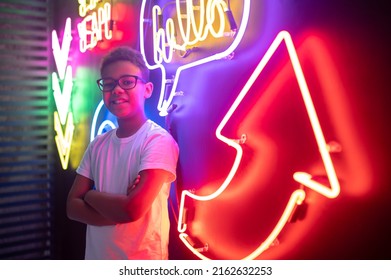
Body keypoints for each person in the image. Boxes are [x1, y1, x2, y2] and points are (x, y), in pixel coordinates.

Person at [66, 47, 179, 260]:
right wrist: (116, 209)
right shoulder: (98, 144)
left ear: (147, 89)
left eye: (127, 81)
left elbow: (131, 211)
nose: (116, 89)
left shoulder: (157, 140)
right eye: (108, 84)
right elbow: (71, 207)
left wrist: (89, 195)